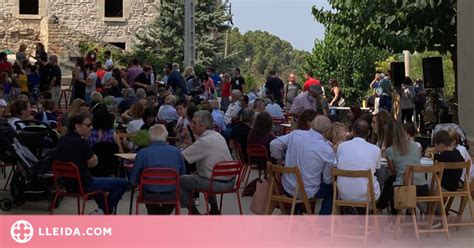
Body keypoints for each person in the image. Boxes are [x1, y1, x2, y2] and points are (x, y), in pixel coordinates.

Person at [55, 114, 128, 214]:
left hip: (66, 183)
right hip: (84, 183)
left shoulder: (62, 140)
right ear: (77, 126)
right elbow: (92, 163)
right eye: (88, 125)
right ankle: (103, 210)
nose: (91, 128)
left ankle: (102, 210)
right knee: (123, 183)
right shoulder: (82, 142)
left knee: (100, 188)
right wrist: (94, 159)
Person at [270, 115, 335, 215]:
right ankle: (323, 220)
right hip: (307, 191)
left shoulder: (296, 134)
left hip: (287, 185)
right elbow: (327, 179)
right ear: (327, 131)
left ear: (312, 125)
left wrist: (280, 159)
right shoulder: (326, 149)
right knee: (332, 189)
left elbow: (274, 144)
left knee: (305, 177)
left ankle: (297, 211)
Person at [181, 111, 234, 215]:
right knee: (206, 175)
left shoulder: (204, 141)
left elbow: (182, 157)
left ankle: (193, 212)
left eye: (194, 123)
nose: (191, 125)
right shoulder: (218, 135)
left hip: (215, 183)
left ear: (204, 125)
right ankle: (214, 209)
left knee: (180, 180)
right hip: (230, 181)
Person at [129, 124, 185, 215]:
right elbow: (182, 174)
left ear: (150, 138)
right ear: (166, 137)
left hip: (149, 194)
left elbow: (133, 180)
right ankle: (162, 217)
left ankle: (156, 216)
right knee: (177, 191)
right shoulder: (177, 152)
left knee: (146, 189)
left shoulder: (142, 153)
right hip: (171, 193)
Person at [377, 120, 428, 214]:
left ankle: (387, 210)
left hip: (405, 188)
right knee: (392, 182)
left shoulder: (390, 151)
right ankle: (382, 206)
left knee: (392, 182)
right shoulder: (416, 147)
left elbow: (394, 173)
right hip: (423, 186)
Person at [336, 118, 381, 203]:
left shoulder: (341, 146)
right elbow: (378, 168)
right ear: (368, 133)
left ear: (353, 131)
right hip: (367, 194)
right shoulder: (375, 149)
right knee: (380, 175)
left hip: (344, 193)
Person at [87, 110, 123, 177]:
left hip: (93, 169)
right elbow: (120, 153)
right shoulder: (113, 134)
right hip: (110, 169)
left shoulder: (88, 134)